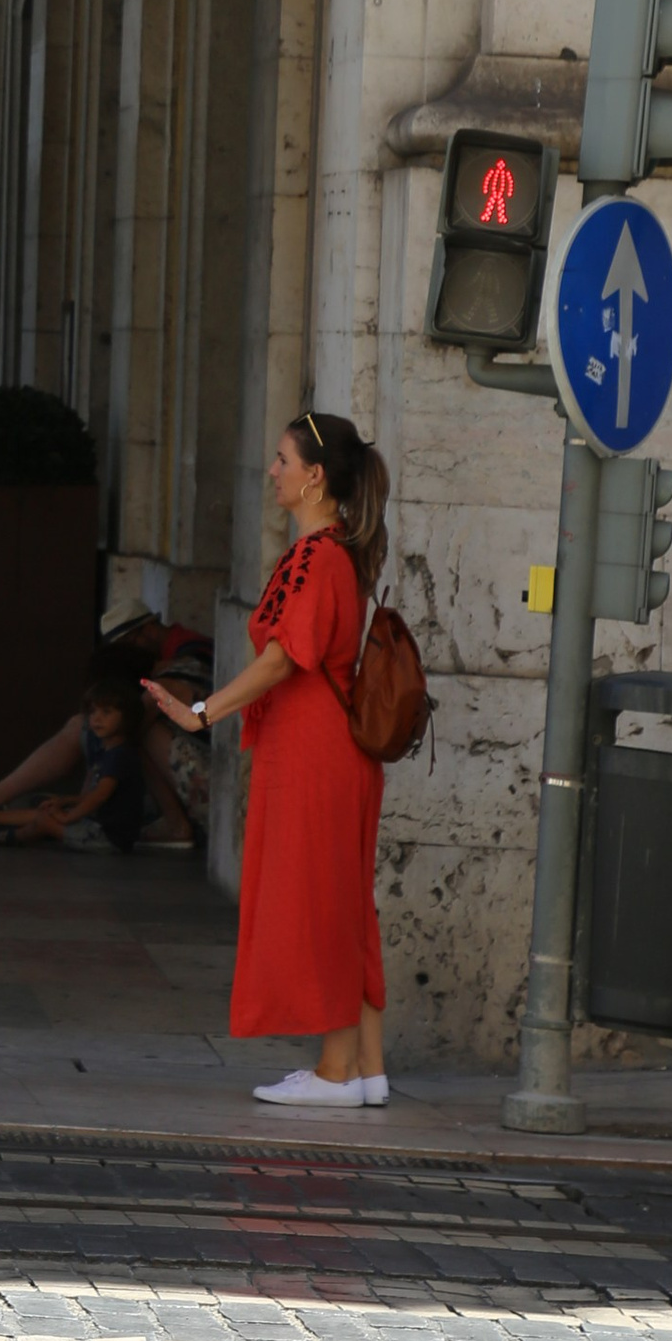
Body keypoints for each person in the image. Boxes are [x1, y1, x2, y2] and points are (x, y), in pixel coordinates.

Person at [148, 409, 392, 1110]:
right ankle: (367, 1068)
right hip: (329, 749)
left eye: (284, 460)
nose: (274, 471)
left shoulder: (319, 556)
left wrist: (201, 711)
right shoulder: (338, 550)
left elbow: (286, 658)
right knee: (344, 904)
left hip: (315, 751)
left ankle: (337, 1072)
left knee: (318, 903)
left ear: (316, 477)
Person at [0, 601, 204, 849]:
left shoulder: (181, 661)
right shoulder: (175, 656)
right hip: (186, 771)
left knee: (125, 728)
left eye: (127, 644)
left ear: (146, 630)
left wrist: (79, 805)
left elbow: (122, 741)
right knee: (100, 729)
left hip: (204, 783)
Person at [0, 671, 150, 852]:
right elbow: (100, 795)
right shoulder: (111, 752)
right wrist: (65, 801)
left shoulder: (119, 756)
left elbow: (100, 795)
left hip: (107, 837)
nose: (96, 718)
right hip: (101, 829)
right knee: (48, 811)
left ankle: (10, 836)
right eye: (92, 711)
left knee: (44, 821)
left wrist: (67, 818)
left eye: (106, 712)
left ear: (127, 717)